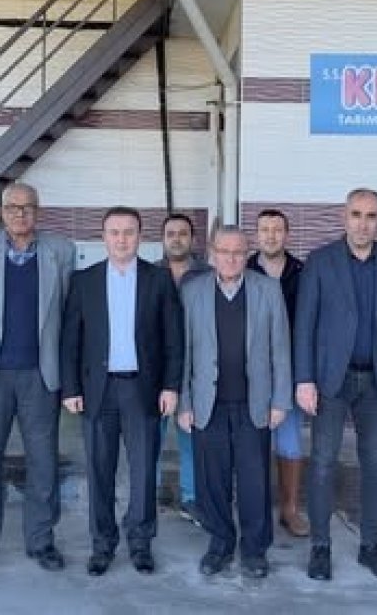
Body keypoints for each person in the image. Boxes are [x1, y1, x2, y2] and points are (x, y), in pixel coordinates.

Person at [294, 187, 377, 581]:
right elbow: (304, 325)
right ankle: (320, 547)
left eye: (371, 216)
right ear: (343, 217)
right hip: (331, 378)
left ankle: (371, 547)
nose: (363, 224)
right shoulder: (320, 261)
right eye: (356, 214)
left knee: (376, 465)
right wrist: (304, 378)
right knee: (323, 463)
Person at [0, 182, 74, 574]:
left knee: (43, 463)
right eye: (12, 207)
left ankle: (41, 541)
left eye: (28, 207)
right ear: (2, 211)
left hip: (41, 375)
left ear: (38, 211)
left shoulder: (61, 251)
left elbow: (68, 317)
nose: (20, 214)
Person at [61, 206, 183, 576]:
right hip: (98, 390)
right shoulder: (84, 281)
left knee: (144, 471)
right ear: (103, 237)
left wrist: (171, 386)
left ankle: (141, 542)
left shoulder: (158, 279)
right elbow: (70, 340)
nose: (121, 239)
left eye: (129, 232)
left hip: (142, 389)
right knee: (99, 471)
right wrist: (71, 388)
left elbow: (173, 339)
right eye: (114, 232)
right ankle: (102, 545)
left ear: (140, 237)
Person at [178, 226, 291, 579]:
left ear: (247, 254)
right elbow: (182, 352)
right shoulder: (192, 292)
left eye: (238, 252)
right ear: (212, 253)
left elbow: (281, 350)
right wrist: (184, 402)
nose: (230, 258)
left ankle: (255, 550)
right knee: (212, 482)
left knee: (255, 481)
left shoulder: (268, 290)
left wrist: (280, 400)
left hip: (253, 404)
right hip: (207, 403)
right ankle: (220, 544)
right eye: (224, 251)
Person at [246, 207, 309, 537]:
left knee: (290, 440)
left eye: (277, 229)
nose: (271, 235)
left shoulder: (303, 273)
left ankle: (290, 509)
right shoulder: (244, 269)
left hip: (290, 370)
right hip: (252, 373)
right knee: (252, 442)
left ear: (287, 234)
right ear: (256, 234)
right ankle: (254, 509)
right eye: (264, 229)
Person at [155, 212, 209, 525]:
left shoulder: (209, 275)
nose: (176, 239)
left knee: (192, 438)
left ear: (193, 239)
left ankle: (192, 499)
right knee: (151, 438)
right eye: (171, 234)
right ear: (163, 239)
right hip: (156, 370)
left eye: (183, 233)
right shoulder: (149, 273)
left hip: (197, 369)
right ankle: (147, 497)